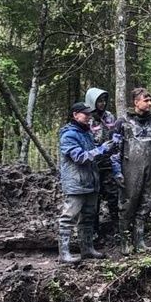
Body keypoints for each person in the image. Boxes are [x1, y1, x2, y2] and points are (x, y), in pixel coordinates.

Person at [57, 102, 120, 264]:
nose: (89, 117)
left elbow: (95, 154)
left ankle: (87, 249)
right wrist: (101, 150)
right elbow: (79, 157)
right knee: (68, 218)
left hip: (91, 183)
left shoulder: (86, 133)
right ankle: (64, 254)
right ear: (75, 115)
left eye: (90, 114)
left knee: (88, 218)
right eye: (85, 114)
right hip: (76, 184)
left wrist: (109, 147)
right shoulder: (69, 135)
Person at [112, 87, 151, 256]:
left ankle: (140, 240)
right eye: (146, 100)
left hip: (149, 170)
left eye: (150, 100)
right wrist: (117, 171)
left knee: (146, 205)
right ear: (136, 102)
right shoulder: (123, 122)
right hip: (129, 170)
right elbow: (115, 150)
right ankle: (125, 242)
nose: (150, 103)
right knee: (127, 206)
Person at [84, 87, 119, 246]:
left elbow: (115, 133)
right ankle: (94, 234)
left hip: (109, 164)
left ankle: (118, 231)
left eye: (104, 100)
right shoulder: (87, 118)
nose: (102, 103)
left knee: (114, 197)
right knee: (93, 201)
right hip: (92, 165)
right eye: (99, 101)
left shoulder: (110, 116)